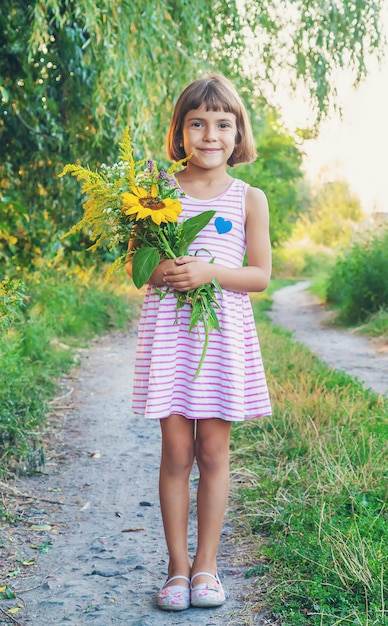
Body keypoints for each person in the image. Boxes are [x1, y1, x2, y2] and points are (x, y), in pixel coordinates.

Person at [126, 73, 272, 611]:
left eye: (222, 124)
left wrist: (210, 272)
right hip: (171, 336)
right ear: (180, 132)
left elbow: (259, 275)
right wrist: (161, 267)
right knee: (176, 451)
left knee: (212, 451)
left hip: (221, 339)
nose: (210, 134)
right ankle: (176, 568)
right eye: (198, 123)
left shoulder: (248, 198)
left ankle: (207, 565)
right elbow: (137, 268)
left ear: (238, 135)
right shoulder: (155, 193)